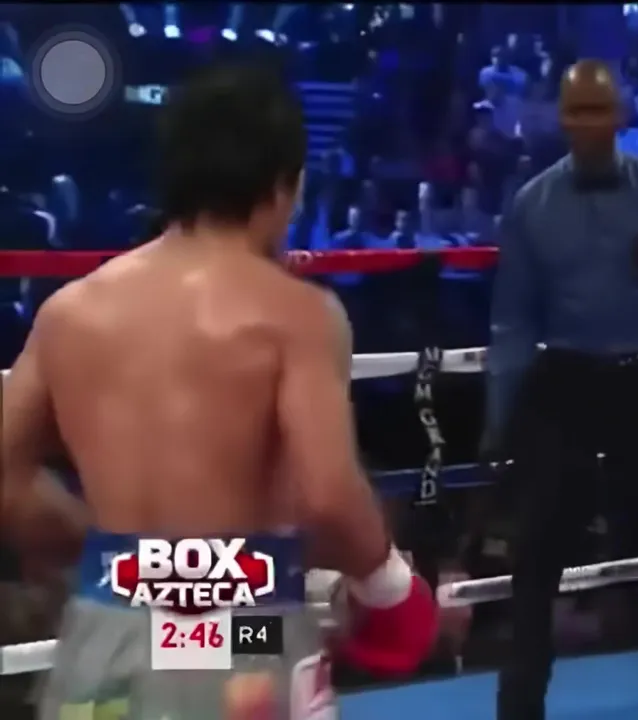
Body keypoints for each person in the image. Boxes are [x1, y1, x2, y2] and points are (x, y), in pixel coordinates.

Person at [0, 62, 439, 720]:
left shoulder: (69, 311)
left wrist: (112, 559)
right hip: (240, 629)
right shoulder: (294, 315)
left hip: (101, 634)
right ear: (285, 186)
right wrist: (389, 588)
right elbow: (327, 496)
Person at [484, 59, 638, 720]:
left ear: (620, 115)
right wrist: (497, 416)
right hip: (567, 381)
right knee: (537, 552)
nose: (588, 124)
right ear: (561, 118)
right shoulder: (533, 205)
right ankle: (520, 705)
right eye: (577, 111)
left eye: (599, 110)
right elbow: (513, 323)